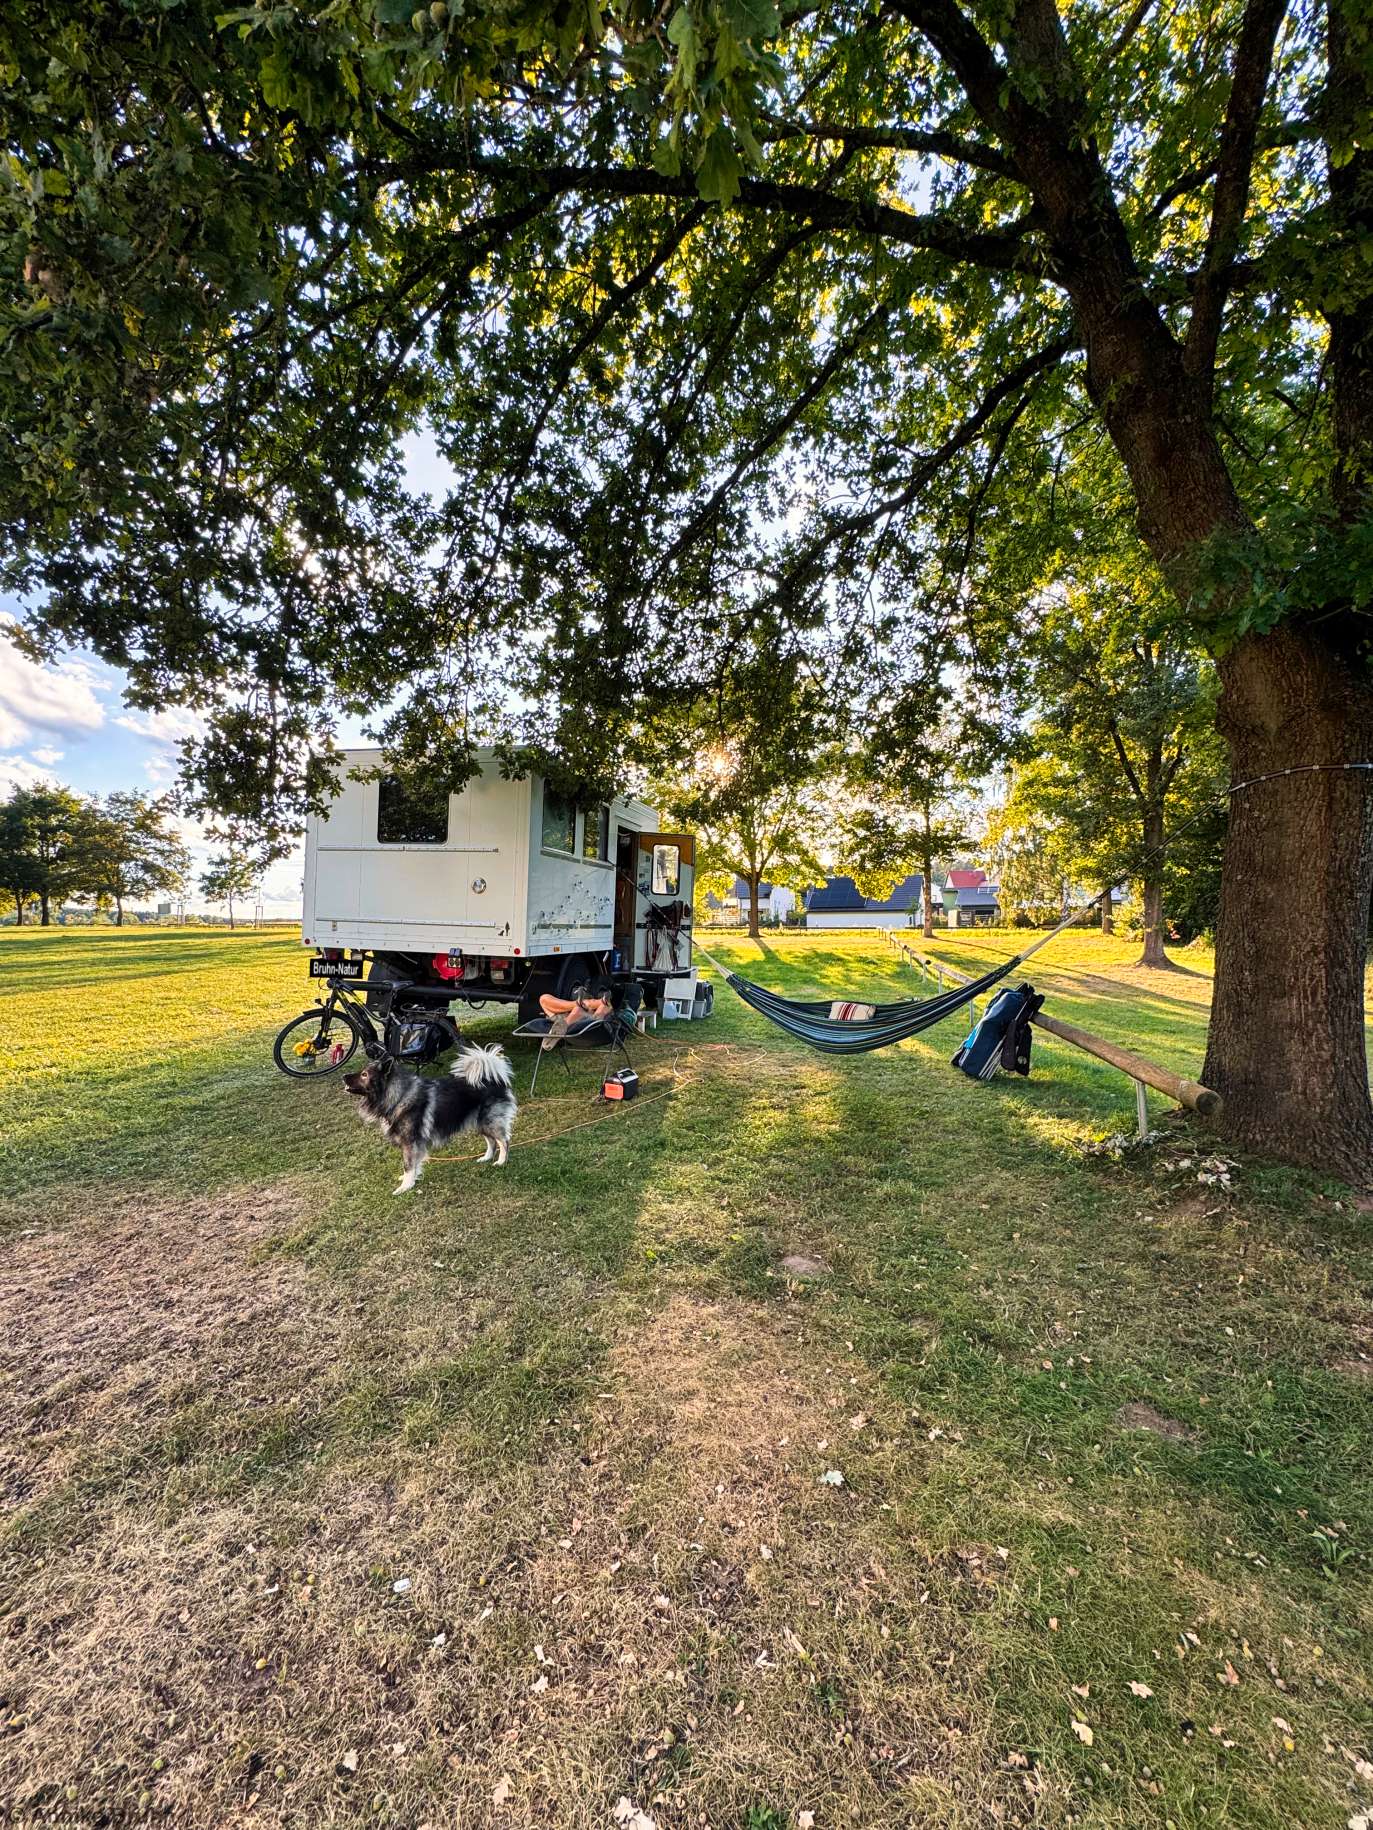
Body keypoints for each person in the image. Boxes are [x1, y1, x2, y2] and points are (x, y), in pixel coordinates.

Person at [538, 975, 623, 1050]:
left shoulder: (605, 1011)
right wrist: (581, 1004)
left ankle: (568, 1021)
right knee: (543, 998)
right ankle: (579, 1005)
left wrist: (589, 1006)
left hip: (588, 1024)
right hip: (568, 1016)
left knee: (585, 1010)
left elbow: (601, 1016)